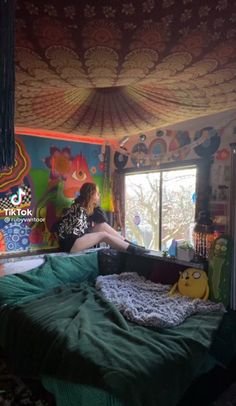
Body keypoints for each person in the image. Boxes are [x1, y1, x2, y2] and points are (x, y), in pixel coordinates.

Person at [57, 182, 149, 255]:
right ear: (91, 194)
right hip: (71, 245)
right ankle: (133, 250)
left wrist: (95, 206)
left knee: (102, 226)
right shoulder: (78, 208)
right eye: (97, 193)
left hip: (77, 239)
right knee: (103, 235)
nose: (99, 195)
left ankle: (130, 244)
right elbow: (73, 233)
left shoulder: (85, 206)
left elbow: (102, 220)